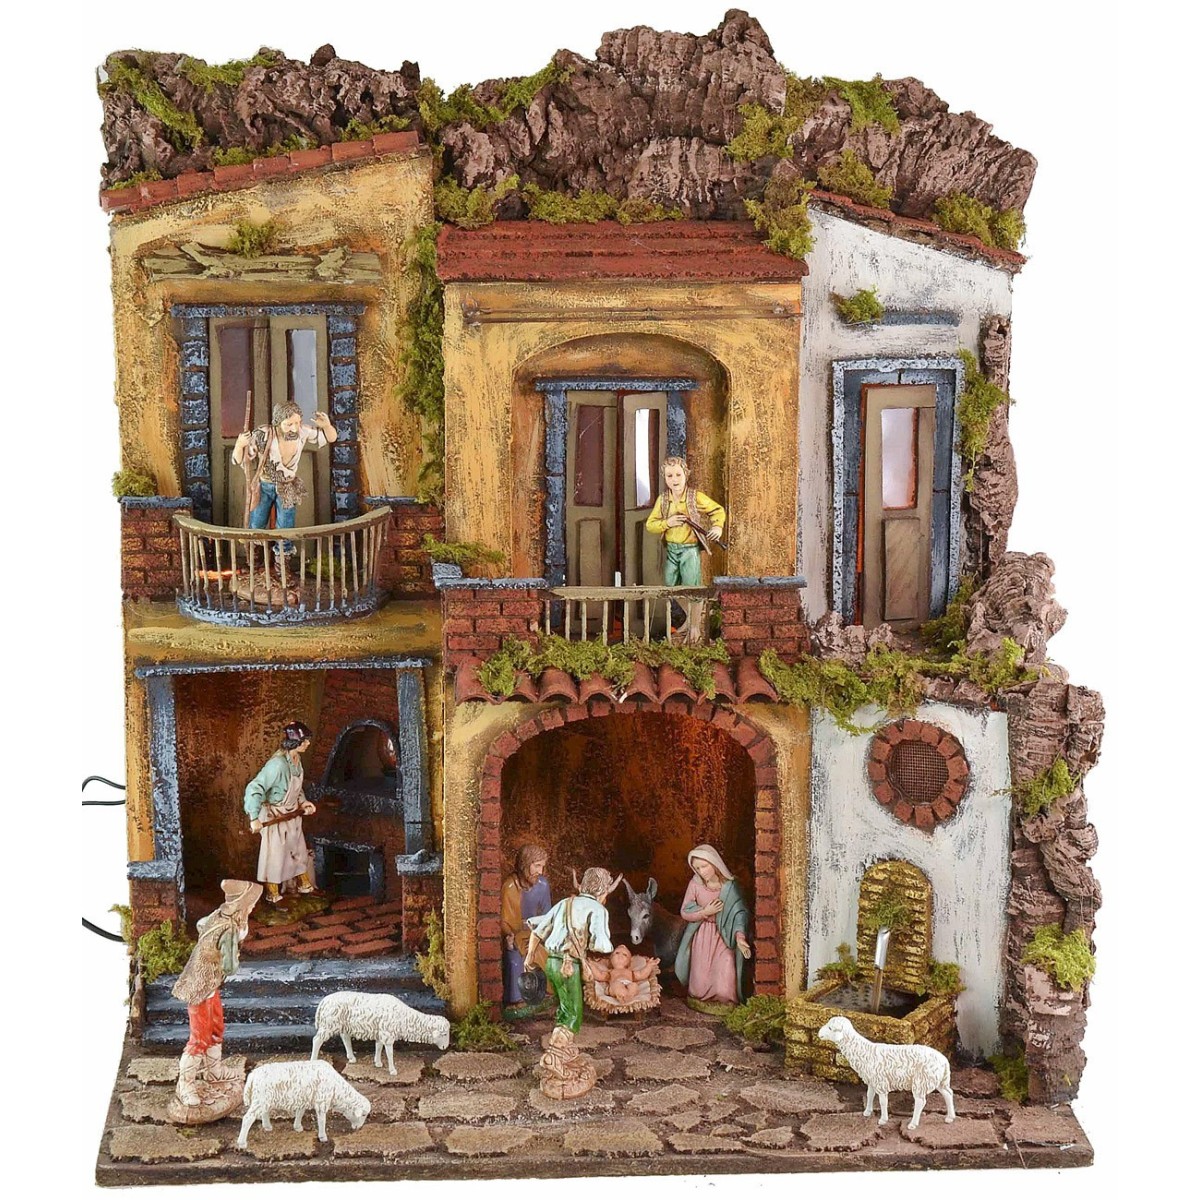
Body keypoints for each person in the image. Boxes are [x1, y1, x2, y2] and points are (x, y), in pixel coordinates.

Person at [171, 879, 263, 1107]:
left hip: (210, 985)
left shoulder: (218, 915)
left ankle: (214, 1071)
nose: (253, 907)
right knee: (199, 1038)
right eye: (251, 904)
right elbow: (230, 967)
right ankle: (185, 1084)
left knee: (215, 1027)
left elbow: (200, 924)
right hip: (200, 988)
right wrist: (231, 954)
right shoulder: (230, 929)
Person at [524, 867, 622, 1035]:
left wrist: (530, 956)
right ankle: (558, 1048)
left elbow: (537, 931)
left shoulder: (565, 903)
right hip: (569, 966)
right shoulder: (598, 909)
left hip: (551, 962)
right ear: (603, 891)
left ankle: (562, 1044)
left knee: (564, 1007)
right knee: (573, 1013)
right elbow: (602, 946)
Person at [644, 457, 726, 641]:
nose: (674, 479)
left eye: (678, 475)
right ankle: (692, 618)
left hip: (689, 550)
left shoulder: (694, 497)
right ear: (665, 478)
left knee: (692, 588)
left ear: (686, 475)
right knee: (671, 586)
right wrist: (668, 522)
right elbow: (650, 525)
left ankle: (695, 628)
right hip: (672, 550)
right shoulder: (663, 500)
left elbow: (717, 510)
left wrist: (717, 527)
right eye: (670, 476)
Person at [232, 400, 337, 540]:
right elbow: (239, 460)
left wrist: (327, 426)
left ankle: (283, 551)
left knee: (286, 524)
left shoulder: (303, 431)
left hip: (288, 486)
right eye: (289, 424)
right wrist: (240, 445)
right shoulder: (263, 434)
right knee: (257, 520)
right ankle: (254, 548)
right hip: (265, 486)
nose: (294, 428)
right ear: (278, 422)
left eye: (297, 423)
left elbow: (330, 438)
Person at [243, 721, 318, 904]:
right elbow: (254, 788)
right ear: (295, 742)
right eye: (304, 740)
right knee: (275, 857)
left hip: (291, 816)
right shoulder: (277, 765)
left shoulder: (296, 761)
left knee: (298, 851)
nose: (308, 743)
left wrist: (303, 802)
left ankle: (304, 886)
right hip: (275, 816)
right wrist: (254, 817)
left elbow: (297, 789)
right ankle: (273, 894)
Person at [674, 844, 751, 1006]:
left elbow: (740, 914)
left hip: (725, 936)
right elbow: (685, 911)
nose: (701, 872)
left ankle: (726, 1001)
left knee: (725, 977)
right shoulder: (695, 884)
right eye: (697, 868)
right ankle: (700, 997)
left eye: (704, 866)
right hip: (702, 935)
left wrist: (740, 937)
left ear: (715, 863)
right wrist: (705, 912)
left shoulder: (730, 886)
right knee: (699, 985)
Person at [501, 844, 553, 1005]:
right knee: (515, 957)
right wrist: (510, 935)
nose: (540, 871)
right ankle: (517, 999)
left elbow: (547, 915)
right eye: (536, 866)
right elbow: (505, 920)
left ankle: (545, 993)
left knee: (551, 954)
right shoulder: (510, 887)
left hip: (537, 933)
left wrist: (544, 932)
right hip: (516, 935)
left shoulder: (543, 885)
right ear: (525, 864)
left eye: (542, 866)